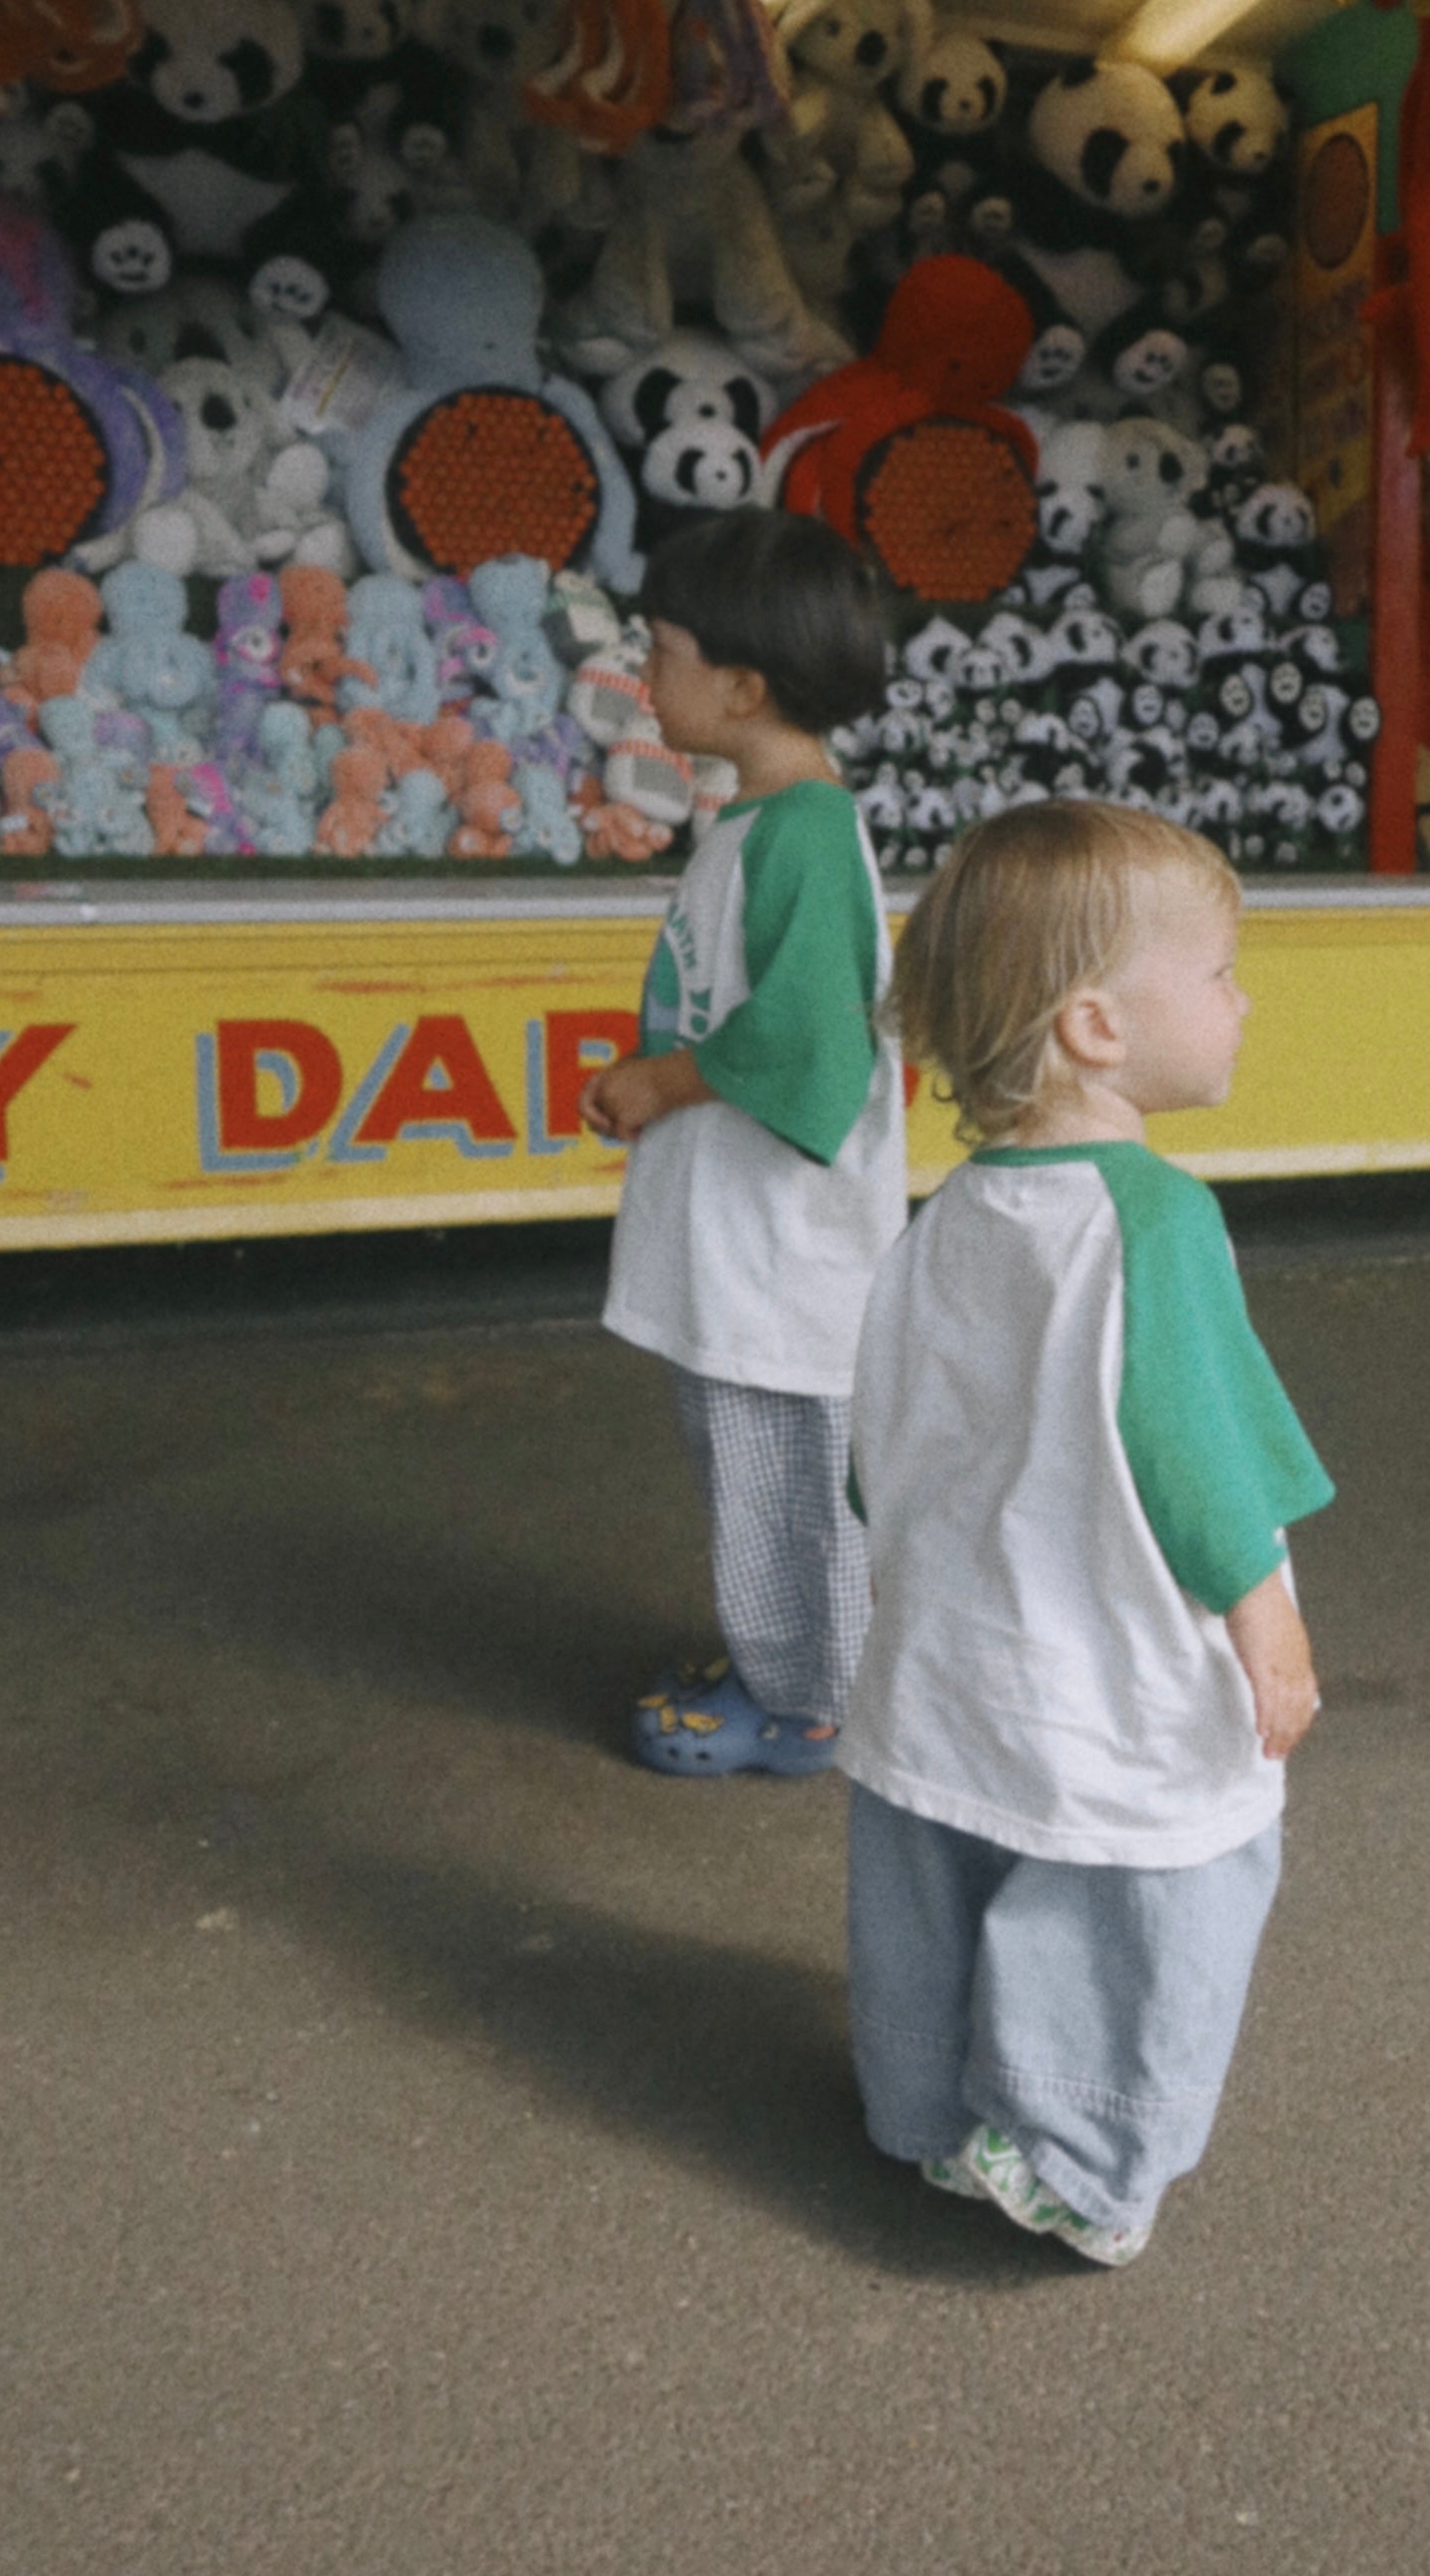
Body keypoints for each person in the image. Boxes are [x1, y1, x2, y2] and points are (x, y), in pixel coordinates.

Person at [836, 799, 1334, 2265]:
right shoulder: (1154, 1220)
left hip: (949, 1660)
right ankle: (1076, 2152)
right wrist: (1269, 1624)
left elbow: (877, 1456)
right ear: (1097, 1026)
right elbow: (1197, 1458)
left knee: (946, 1870)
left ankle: (927, 2106)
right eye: (1223, 969)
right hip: (1109, 1663)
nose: (1244, 998)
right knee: (1139, 1896)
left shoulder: (943, 1220)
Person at [578, 510, 905, 1777]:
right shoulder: (764, 821)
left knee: (786, 1483)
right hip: (749, 1240)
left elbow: (814, 1050)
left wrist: (664, 1080)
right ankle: (787, 1664)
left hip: (782, 1258)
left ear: (742, 683)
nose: (643, 679)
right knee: (761, 1471)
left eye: (661, 651)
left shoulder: (805, 833)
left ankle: (808, 1701)